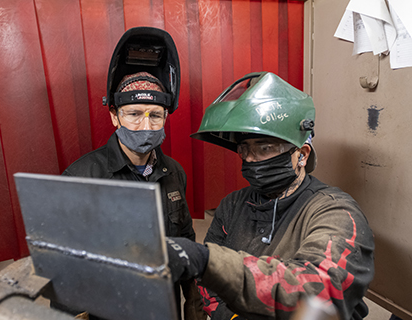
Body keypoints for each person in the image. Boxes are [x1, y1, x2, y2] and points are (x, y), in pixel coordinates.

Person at [166, 72, 375, 320]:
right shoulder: (233, 205)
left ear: (302, 154)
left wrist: (208, 261)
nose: (251, 158)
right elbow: (208, 288)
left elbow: (320, 296)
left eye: (265, 147)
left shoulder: (336, 212)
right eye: (245, 149)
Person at [60, 27, 205, 320]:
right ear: (114, 115)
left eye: (155, 115)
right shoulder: (81, 177)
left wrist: (193, 307)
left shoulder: (174, 172)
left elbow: (186, 243)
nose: (146, 126)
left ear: (166, 117)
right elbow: (66, 269)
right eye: (134, 114)